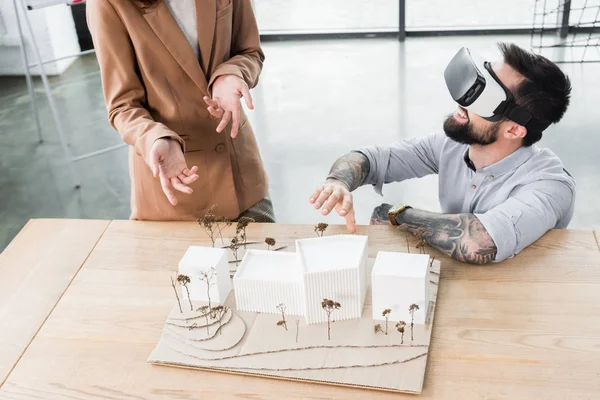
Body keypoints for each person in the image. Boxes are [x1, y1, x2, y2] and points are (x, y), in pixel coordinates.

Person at [309, 43, 575, 264]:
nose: (460, 103)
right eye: (476, 82)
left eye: (481, 98)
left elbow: (480, 241)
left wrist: (397, 215)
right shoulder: (452, 146)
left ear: (515, 130)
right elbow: (373, 159)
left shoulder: (550, 185)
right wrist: (339, 181)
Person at [86, 0, 274, 222]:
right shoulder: (108, 3)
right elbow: (122, 105)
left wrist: (232, 72)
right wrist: (154, 138)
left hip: (241, 176)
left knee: (265, 255)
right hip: (176, 186)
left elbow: (249, 51)